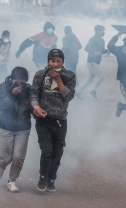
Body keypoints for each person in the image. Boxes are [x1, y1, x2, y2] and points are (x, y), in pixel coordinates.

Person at [31, 49, 76, 192]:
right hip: (43, 119)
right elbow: (33, 93)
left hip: (60, 120)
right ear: (48, 61)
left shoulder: (69, 75)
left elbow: (68, 96)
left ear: (63, 62)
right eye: (53, 61)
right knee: (46, 150)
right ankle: (43, 177)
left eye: (59, 61)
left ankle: (51, 178)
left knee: (58, 152)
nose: (55, 64)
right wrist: (36, 106)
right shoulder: (40, 74)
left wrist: (58, 80)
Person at [0, 67, 32, 193]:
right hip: (6, 126)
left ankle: (12, 181)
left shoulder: (29, 89)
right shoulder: (4, 86)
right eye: (17, 81)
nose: (20, 84)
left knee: (18, 156)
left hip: (23, 127)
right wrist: (12, 94)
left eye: (23, 82)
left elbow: (33, 105)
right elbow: (0, 105)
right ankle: (1, 166)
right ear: (12, 78)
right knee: (5, 157)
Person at [76, 25, 108, 100]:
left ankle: (78, 92)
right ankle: (93, 91)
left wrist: (107, 51)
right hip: (92, 62)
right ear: (97, 31)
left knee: (89, 80)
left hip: (95, 62)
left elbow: (102, 51)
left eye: (103, 30)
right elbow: (86, 48)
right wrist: (94, 52)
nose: (103, 32)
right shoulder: (93, 39)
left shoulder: (102, 40)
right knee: (102, 77)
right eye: (101, 30)